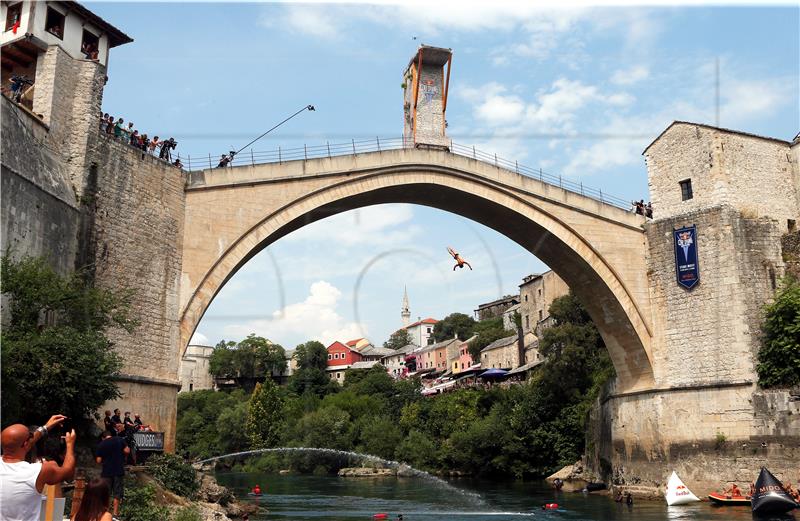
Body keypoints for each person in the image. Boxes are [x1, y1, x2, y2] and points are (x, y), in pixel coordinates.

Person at [0, 414, 76, 521]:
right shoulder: (38, 471)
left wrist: (45, 427)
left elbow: (22, 444)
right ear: (26, 444)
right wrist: (70, 445)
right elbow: (68, 471)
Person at [96, 430, 130, 516]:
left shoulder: (101, 444)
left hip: (106, 472)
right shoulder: (119, 439)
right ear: (110, 435)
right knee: (117, 492)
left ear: (103, 437)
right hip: (118, 470)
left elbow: (98, 460)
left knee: (106, 492)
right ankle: (115, 513)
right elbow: (127, 451)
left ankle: (106, 513)